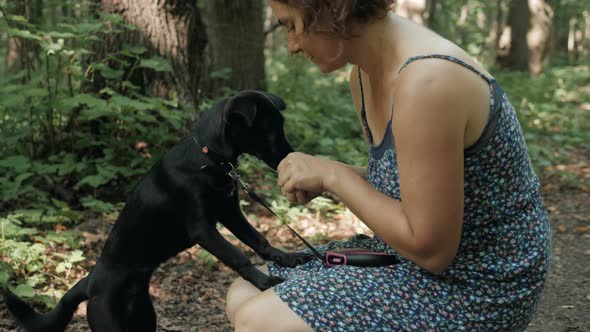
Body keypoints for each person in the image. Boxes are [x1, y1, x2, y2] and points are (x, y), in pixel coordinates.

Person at [225, 1, 551, 331]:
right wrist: (327, 175)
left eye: (291, 26)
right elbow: (410, 183)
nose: (292, 46)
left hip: (476, 286)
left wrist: (335, 176)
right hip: (409, 261)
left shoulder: (428, 81)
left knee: (261, 322)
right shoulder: (364, 76)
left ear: (330, 8)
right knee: (246, 290)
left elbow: (432, 251)